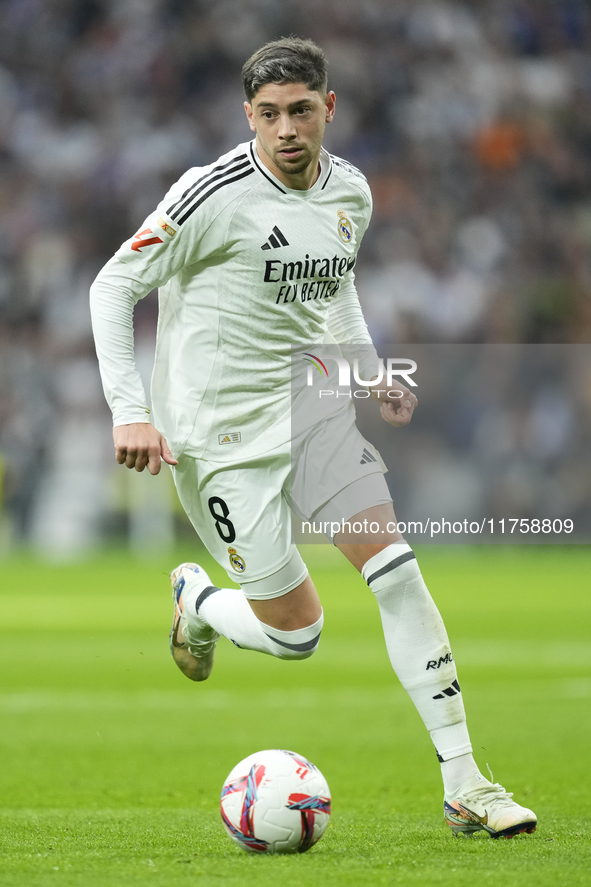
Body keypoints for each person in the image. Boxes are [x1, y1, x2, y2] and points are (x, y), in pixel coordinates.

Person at [90, 36, 536, 840]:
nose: (285, 129)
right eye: (268, 115)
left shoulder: (351, 193)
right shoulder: (211, 193)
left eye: (300, 111)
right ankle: (198, 600)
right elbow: (113, 283)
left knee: (396, 570)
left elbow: (333, 290)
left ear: (327, 108)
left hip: (309, 408)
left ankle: (468, 782)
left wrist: (365, 372)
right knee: (297, 634)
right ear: (248, 117)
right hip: (216, 436)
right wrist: (129, 408)